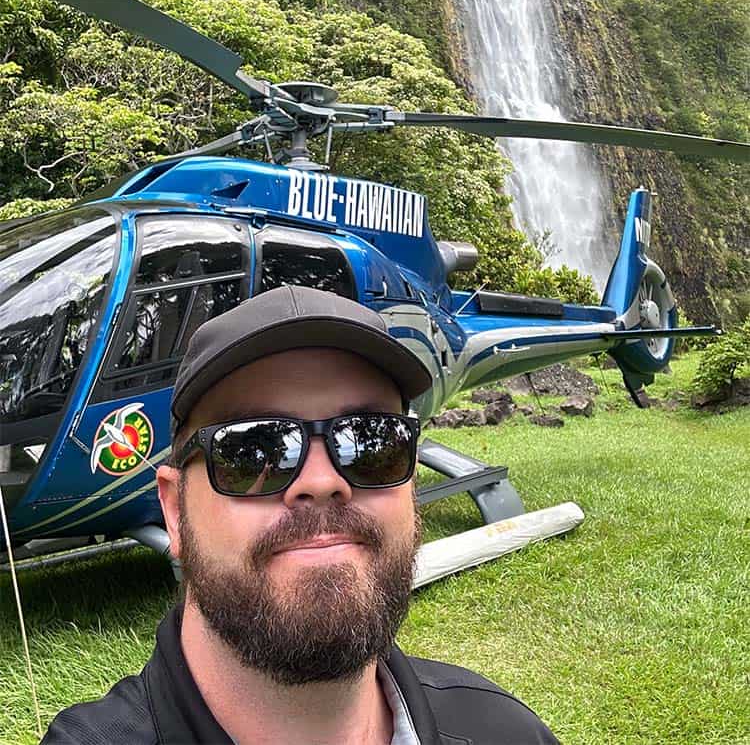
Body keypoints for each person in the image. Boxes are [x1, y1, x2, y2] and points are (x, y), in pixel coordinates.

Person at [42, 285, 559, 745]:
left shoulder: (503, 727)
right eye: (251, 450)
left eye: (370, 441)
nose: (322, 481)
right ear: (175, 511)